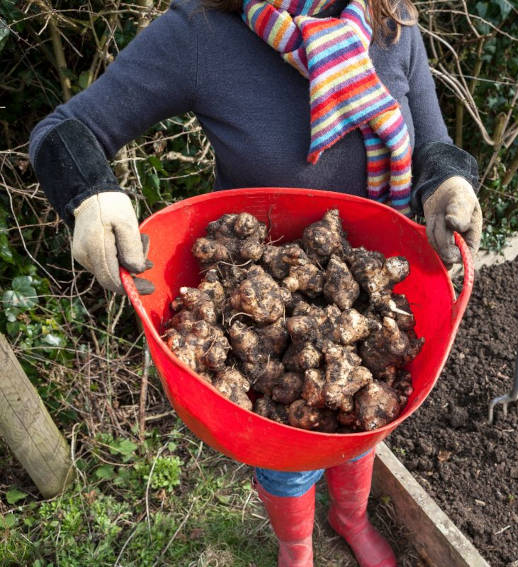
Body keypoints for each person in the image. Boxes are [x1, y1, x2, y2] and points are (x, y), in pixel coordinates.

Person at [28, 1, 481, 566]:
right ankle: (296, 550)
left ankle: (350, 516)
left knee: (364, 419)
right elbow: (64, 129)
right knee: (288, 446)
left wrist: (447, 183)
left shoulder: (390, 22)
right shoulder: (201, 33)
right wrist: (90, 194)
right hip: (259, 299)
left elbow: (432, 140)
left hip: (368, 298)